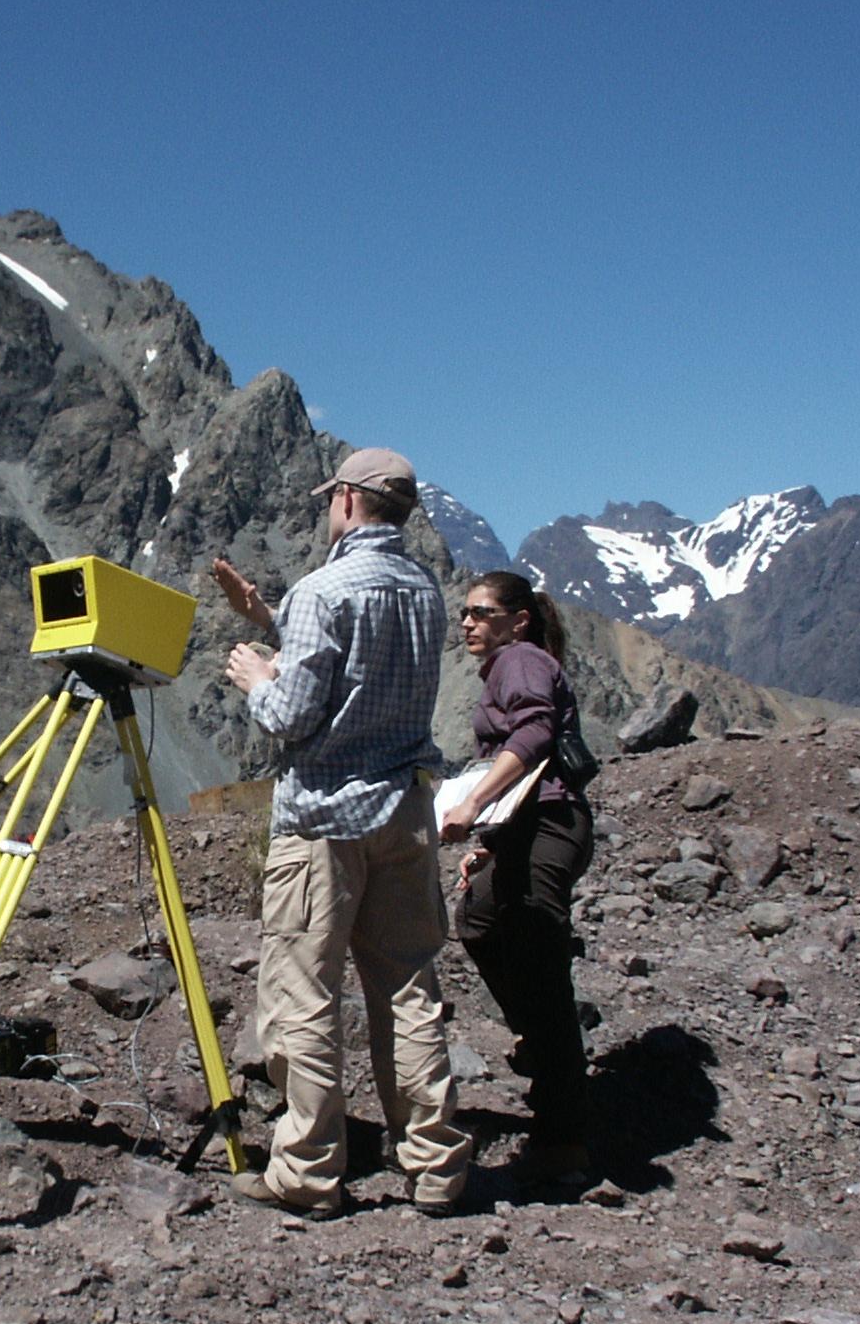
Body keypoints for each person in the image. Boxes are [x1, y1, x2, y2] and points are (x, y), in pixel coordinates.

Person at [212, 447, 471, 1216]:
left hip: (324, 819)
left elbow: (295, 715)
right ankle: (435, 1166)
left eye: (333, 497)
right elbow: (360, 654)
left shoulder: (326, 589)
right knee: (407, 988)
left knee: (304, 992)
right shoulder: (425, 590)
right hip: (404, 812)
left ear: (351, 501)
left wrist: (261, 679)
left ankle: (308, 1171)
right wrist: (267, 611)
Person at [436, 571, 596, 1181]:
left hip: (549, 826)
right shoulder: (514, 662)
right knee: (478, 918)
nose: (469, 623)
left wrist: (473, 804)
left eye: (481, 613)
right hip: (526, 828)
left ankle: (564, 1140)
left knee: (537, 958)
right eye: (466, 614)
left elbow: (534, 732)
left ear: (518, 620)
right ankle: (542, 1043)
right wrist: (491, 840)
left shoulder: (521, 660)